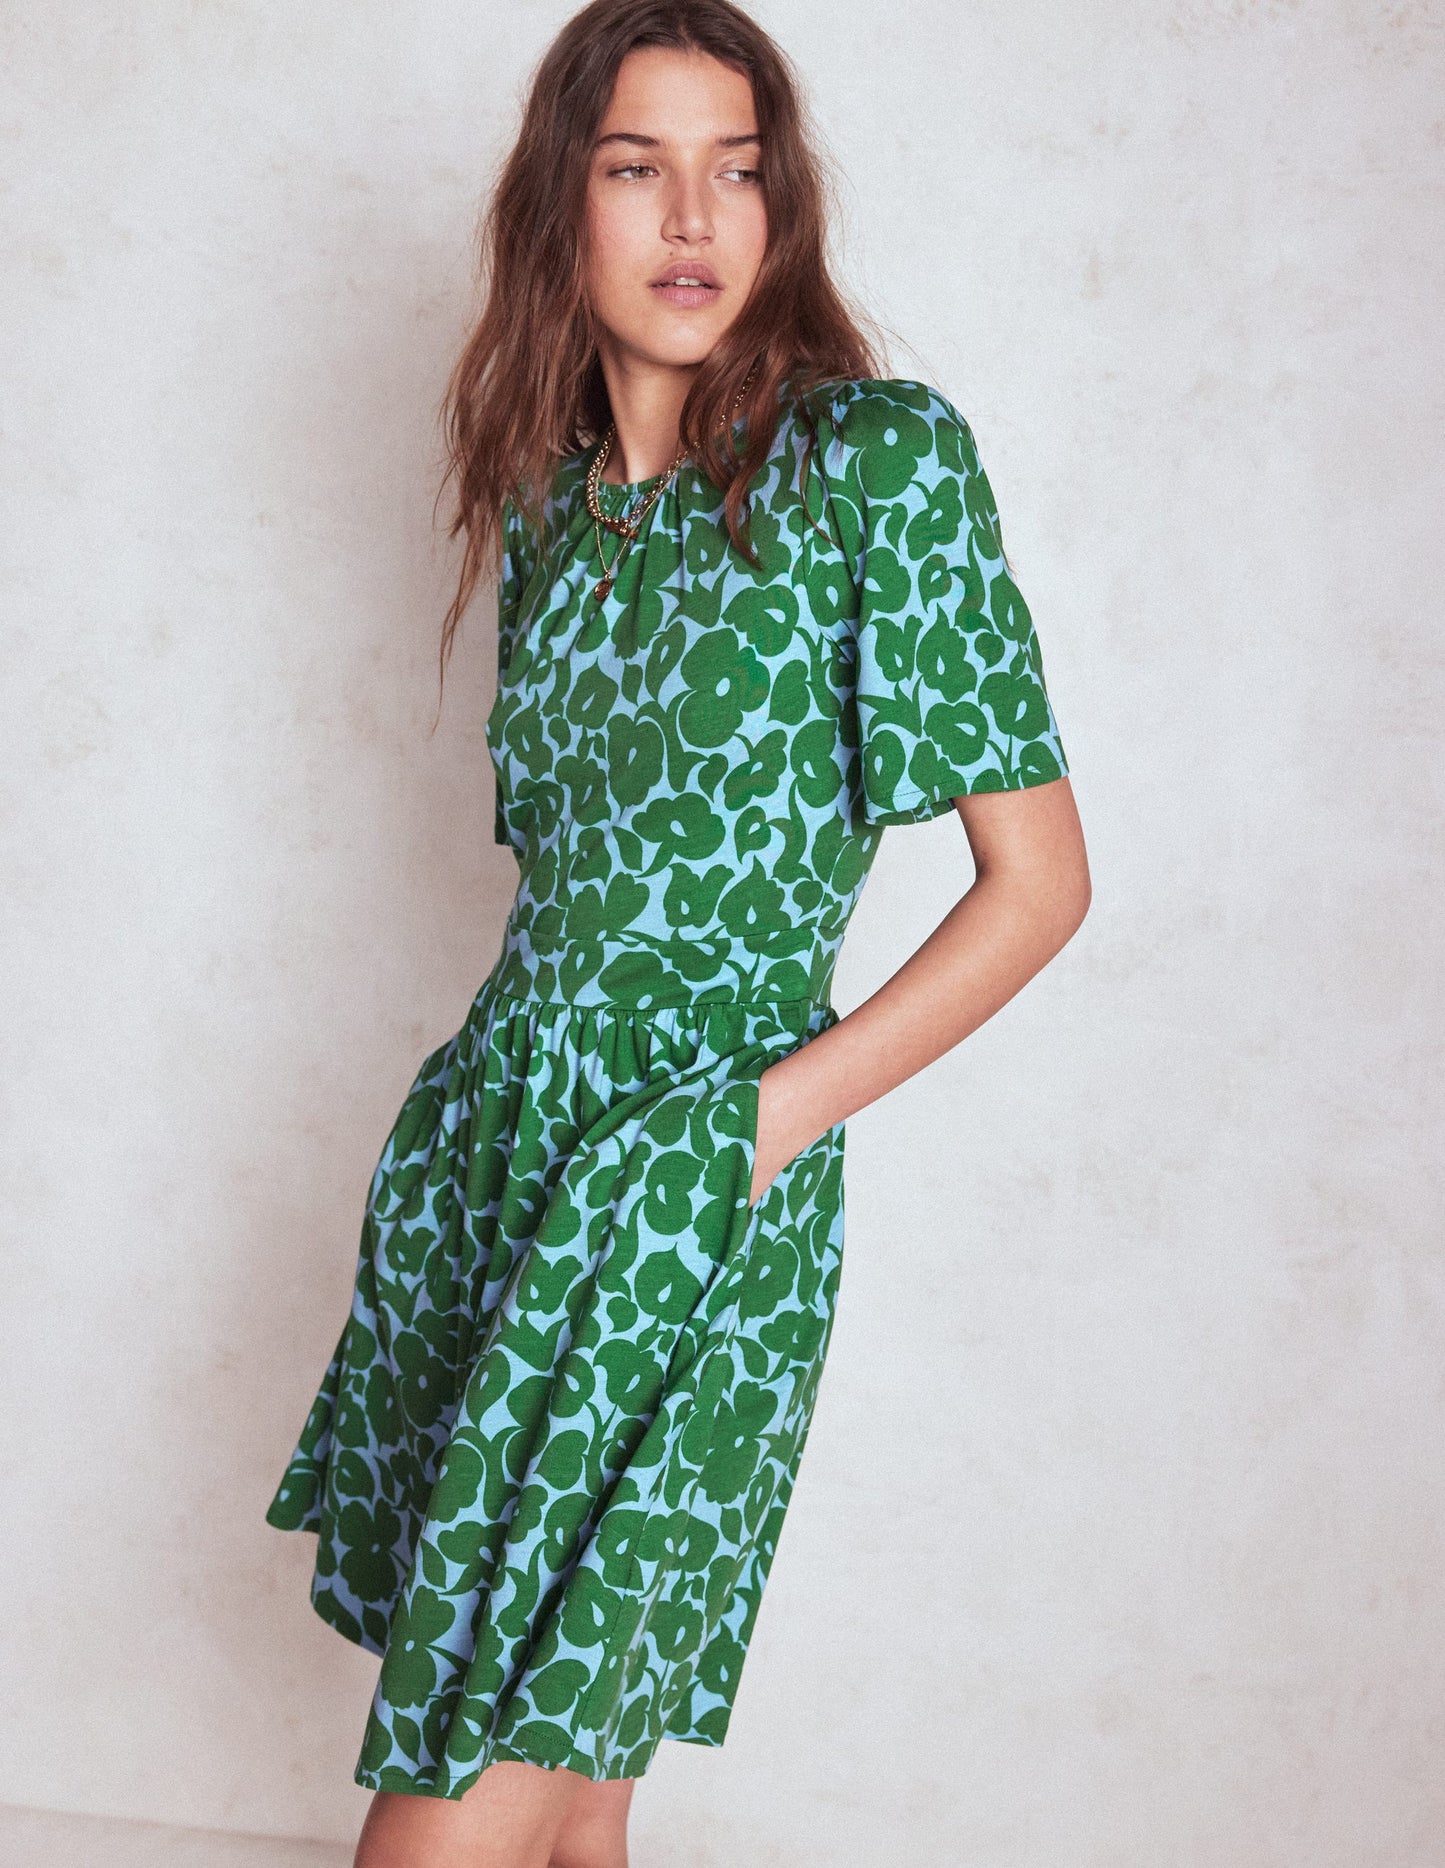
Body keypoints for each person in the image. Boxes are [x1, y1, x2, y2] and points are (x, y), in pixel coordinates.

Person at [264, 1, 1091, 1863]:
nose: (694, 218)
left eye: (738, 170)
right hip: (510, 1152)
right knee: (570, 1811)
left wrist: (755, 1131)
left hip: (700, 1189)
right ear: (559, 203)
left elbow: (1038, 886)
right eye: (637, 167)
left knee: (468, 1773)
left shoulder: (875, 464)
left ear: (782, 208)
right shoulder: (549, 504)